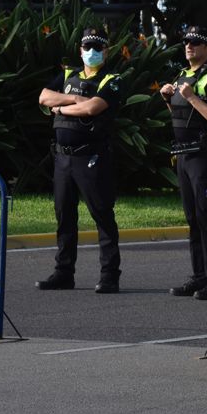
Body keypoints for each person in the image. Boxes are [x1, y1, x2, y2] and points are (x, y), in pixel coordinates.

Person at [36, 25, 123, 293]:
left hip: (92, 157)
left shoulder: (112, 79)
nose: (92, 52)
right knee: (64, 217)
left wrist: (61, 108)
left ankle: (109, 275)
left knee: (102, 215)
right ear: (80, 50)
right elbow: (43, 97)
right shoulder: (67, 74)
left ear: (106, 51)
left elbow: (93, 107)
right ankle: (63, 273)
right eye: (88, 47)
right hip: (63, 159)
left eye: (98, 47)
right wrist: (73, 97)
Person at [160, 25, 207, 301]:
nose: (189, 45)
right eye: (187, 41)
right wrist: (169, 99)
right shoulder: (182, 76)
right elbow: (183, 115)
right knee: (192, 218)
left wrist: (191, 96)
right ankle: (200, 276)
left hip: (203, 156)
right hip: (183, 156)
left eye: (196, 42)